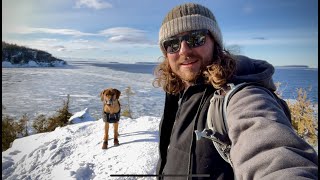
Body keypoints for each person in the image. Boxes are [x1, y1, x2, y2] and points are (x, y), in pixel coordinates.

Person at [153, 2, 318, 180]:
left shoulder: (239, 95)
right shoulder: (177, 93)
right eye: (172, 44)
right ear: (166, 53)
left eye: (195, 38)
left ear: (215, 42)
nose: (184, 50)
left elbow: (273, 154)